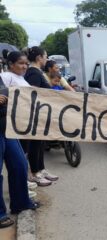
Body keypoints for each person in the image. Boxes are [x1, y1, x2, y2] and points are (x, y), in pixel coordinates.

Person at [0, 52, 39, 229]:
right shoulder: (6, 76)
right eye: (20, 63)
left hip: (6, 127)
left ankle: (20, 203)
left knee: (19, 164)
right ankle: (0, 214)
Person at [23, 46, 58, 186]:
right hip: (35, 115)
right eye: (45, 56)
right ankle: (35, 173)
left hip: (41, 115)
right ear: (39, 58)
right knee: (35, 144)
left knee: (40, 143)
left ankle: (41, 169)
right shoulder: (33, 73)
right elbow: (33, 96)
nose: (46, 59)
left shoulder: (37, 72)